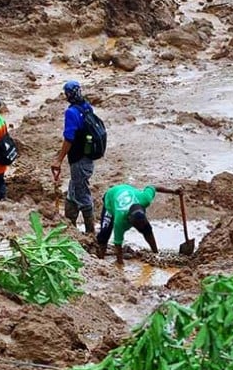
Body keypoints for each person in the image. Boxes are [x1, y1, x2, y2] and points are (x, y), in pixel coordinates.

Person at [95, 183, 182, 265]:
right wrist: (120, 264)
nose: (139, 227)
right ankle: (100, 260)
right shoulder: (120, 219)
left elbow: (153, 187)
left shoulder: (145, 199)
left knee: (147, 229)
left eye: (141, 224)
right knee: (104, 234)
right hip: (111, 197)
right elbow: (118, 243)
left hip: (127, 189)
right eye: (137, 225)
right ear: (129, 219)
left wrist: (174, 191)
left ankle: (155, 252)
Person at [52, 80, 98, 233]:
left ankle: (90, 231)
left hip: (78, 159)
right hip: (87, 156)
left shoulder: (71, 113)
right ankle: (70, 225)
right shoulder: (86, 107)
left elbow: (69, 138)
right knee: (74, 189)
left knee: (82, 193)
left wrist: (59, 159)